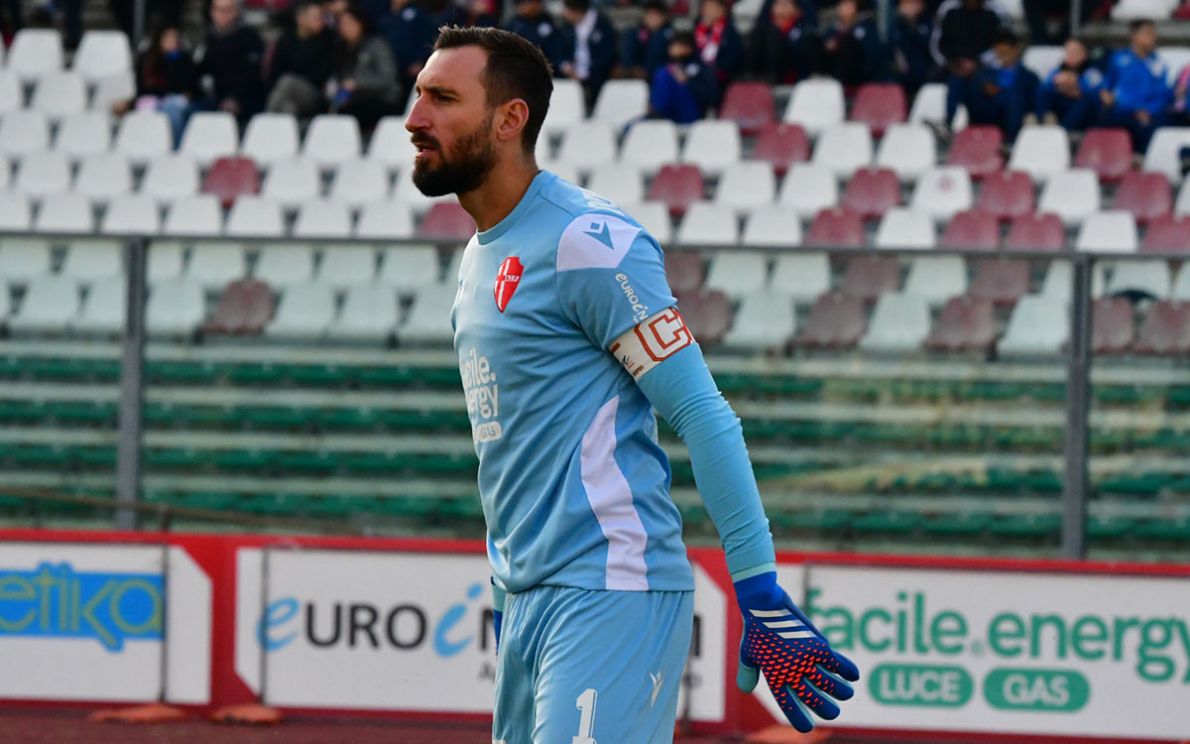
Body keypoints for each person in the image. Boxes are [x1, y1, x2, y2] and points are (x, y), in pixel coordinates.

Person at [404, 25, 859, 743]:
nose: (414, 116)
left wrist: (758, 586)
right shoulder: (476, 258)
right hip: (524, 600)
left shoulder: (590, 242)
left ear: (509, 118)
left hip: (611, 589)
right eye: (419, 93)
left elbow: (705, 416)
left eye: (441, 98)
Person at [116, 24, 200, 145]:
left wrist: (173, 61)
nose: (172, 41)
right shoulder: (147, 59)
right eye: (168, 37)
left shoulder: (185, 59)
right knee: (146, 108)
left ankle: (175, 146)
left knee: (172, 108)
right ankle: (146, 145)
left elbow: (186, 87)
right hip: (151, 98)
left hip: (174, 99)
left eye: (175, 38)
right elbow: (143, 88)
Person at [947, 29, 1038, 139]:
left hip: (1012, 110)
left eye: (1006, 52)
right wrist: (984, 87)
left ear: (1016, 50)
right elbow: (980, 88)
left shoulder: (1028, 76)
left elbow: (1033, 100)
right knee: (958, 81)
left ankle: (1010, 142)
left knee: (1014, 99)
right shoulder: (987, 72)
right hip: (988, 107)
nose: (1003, 56)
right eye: (999, 52)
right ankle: (948, 127)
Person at [1099, 20, 1172, 152]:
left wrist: (1148, 111)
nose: (1153, 38)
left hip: (1146, 114)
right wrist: (1106, 96)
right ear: (1134, 36)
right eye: (1148, 34)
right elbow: (1107, 87)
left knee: (1155, 124)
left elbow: (1162, 95)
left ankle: (1141, 161)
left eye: (1154, 34)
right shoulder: (1119, 59)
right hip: (1121, 111)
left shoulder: (1159, 64)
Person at [331, 4, 402, 128]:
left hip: (382, 99)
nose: (344, 28)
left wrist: (358, 84)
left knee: (351, 112)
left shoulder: (377, 45)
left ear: (360, 23)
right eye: (341, 24)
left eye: (348, 23)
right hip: (355, 100)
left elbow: (387, 78)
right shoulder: (341, 49)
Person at [196, 0, 266, 124]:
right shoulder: (209, 38)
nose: (221, 14)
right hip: (216, 98)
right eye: (217, 9)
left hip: (246, 100)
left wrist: (235, 98)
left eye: (227, 10)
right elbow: (201, 70)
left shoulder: (249, 37)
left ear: (236, 12)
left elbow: (253, 75)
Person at [267, 0, 337, 118]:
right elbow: (275, 70)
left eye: (322, 17)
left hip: (315, 94)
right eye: (316, 18)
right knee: (289, 108)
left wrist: (297, 80)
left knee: (288, 81)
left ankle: (266, 118)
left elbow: (322, 74)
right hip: (287, 93)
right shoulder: (286, 40)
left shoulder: (327, 41)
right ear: (300, 19)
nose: (321, 21)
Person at [380, 0, 438, 110]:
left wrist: (419, 60)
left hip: (410, 68)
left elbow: (426, 37)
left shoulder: (418, 13)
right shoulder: (383, 13)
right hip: (389, 67)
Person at [1034, 37, 1102, 131]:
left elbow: (1097, 96)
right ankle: (1042, 122)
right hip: (1060, 106)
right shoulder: (1057, 71)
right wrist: (1056, 84)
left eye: (1075, 52)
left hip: (1081, 111)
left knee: (1086, 102)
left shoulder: (1092, 73)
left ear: (1084, 54)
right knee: (1042, 92)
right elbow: (1044, 87)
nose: (1070, 55)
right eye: (1068, 52)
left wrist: (1076, 85)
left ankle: (1062, 131)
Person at [747, 0, 822, 85]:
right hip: (767, 78)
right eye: (776, 4)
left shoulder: (802, 31)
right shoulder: (764, 31)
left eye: (784, 4)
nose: (779, 9)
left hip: (797, 78)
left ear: (797, 11)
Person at [650, 30, 718, 123]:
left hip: (691, 113)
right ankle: (658, 113)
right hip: (667, 113)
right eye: (671, 46)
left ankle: (659, 113)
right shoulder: (665, 67)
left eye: (677, 45)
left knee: (664, 74)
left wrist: (688, 81)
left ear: (688, 48)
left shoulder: (701, 68)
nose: (673, 49)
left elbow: (711, 96)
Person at [558, 0, 617, 107]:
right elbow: (560, 52)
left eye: (566, 10)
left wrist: (588, 73)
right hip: (572, 76)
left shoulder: (602, 25)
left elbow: (607, 55)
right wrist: (566, 66)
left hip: (598, 77)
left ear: (576, 11)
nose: (564, 13)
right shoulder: (567, 27)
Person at [822, 0, 885, 88]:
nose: (846, 8)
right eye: (843, 4)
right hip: (835, 73)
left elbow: (873, 55)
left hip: (861, 74)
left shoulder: (867, 26)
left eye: (849, 4)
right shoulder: (832, 30)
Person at [889, 0, 937, 97]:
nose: (911, 7)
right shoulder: (895, 24)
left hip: (924, 74)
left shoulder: (928, 23)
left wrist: (911, 24)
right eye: (906, 4)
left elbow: (927, 44)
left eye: (914, 3)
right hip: (902, 77)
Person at [694, 0, 744, 91]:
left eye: (712, 7)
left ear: (722, 11)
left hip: (719, 75)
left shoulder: (729, 32)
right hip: (698, 71)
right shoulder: (697, 28)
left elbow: (733, 59)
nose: (708, 11)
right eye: (706, 7)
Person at [504, 0, 564, 72]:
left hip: (547, 68)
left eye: (537, 2)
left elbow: (556, 48)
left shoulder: (547, 21)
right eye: (525, 3)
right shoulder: (513, 25)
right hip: (520, 69)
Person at [621, 0, 674, 82]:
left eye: (656, 14)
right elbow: (630, 52)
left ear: (664, 16)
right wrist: (631, 68)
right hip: (635, 76)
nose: (652, 18)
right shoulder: (636, 33)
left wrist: (647, 71)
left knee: (659, 38)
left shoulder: (670, 34)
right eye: (649, 14)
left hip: (657, 76)